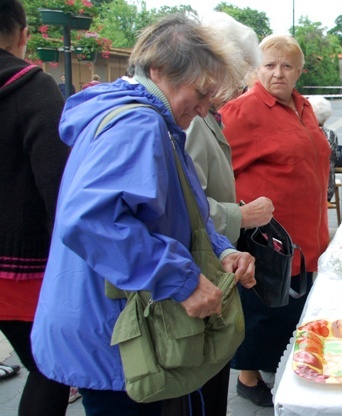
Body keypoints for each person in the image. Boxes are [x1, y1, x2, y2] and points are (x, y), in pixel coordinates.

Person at [30, 14, 256, 415]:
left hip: (113, 325)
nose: (205, 108)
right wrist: (183, 281)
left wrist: (222, 250)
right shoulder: (138, 122)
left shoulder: (152, 119)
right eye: (201, 92)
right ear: (160, 71)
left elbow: (185, 210)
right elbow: (91, 220)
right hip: (113, 334)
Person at [162, 12, 274, 416]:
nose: (238, 87)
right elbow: (182, 202)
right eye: (235, 76)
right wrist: (238, 217)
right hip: (191, 269)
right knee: (197, 387)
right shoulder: (188, 118)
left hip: (209, 260)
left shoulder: (205, 113)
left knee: (209, 383)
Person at [220, 34, 330, 407]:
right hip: (268, 237)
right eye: (269, 65)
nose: (278, 73)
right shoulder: (242, 111)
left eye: (287, 66)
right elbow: (214, 170)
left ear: (299, 71)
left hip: (307, 233)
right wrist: (237, 211)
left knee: (290, 308)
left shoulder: (304, 107)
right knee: (263, 309)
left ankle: (275, 365)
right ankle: (248, 379)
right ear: (256, 69)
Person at [0, 0, 71, 414]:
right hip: (19, 271)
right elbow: (61, 188)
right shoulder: (33, 87)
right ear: (24, 34)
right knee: (54, 369)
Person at [307, 95, 340, 202]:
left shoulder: (302, 134)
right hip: (327, 190)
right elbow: (336, 158)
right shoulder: (331, 135)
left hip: (305, 190)